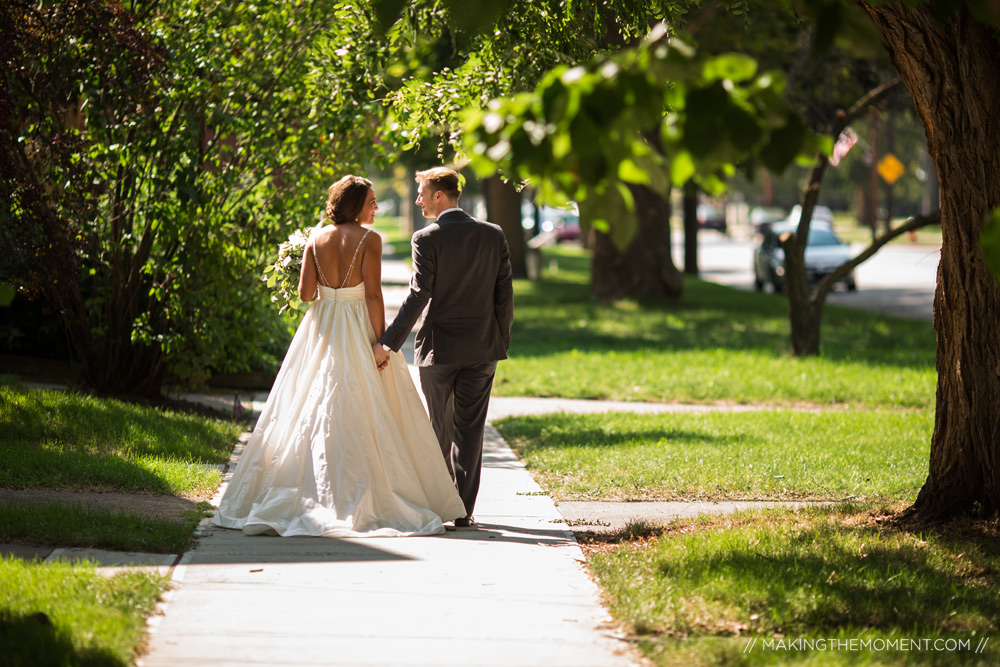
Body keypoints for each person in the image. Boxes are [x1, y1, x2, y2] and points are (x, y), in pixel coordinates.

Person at [212, 175, 466, 537]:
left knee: (311, 397)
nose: (376, 207)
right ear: (356, 205)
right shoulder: (369, 239)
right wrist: (380, 343)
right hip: (357, 323)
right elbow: (374, 295)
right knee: (363, 400)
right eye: (372, 202)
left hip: (322, 326)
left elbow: (304, 294)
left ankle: (300, 487)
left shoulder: (315, 239)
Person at [375, 167, 514, 530]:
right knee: (470, 430)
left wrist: (388, 343)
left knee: (439, 428)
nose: (418, 198)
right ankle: (463, 511)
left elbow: (420, 294)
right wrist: (500, 340)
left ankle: (438, 505)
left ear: (440, 195)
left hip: (439, 350)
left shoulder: (427, 238)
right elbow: (504, 296)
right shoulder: (493, 234)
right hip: (483, 348)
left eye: (422, 192)